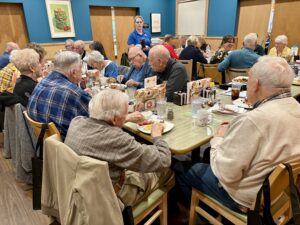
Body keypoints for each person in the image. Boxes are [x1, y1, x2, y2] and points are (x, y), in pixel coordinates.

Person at [176, 56, 300, 213]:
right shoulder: (296, 106)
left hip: (248, 199)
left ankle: (206, 213)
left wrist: (218, 139)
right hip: (279, 188)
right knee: (207, 153)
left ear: (255, 85)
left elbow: (226, 174)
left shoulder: (253, 120)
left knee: (180, 168)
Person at [64, 89, 173, 207]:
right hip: (110, 200)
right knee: (168, 171)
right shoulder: (118, 139)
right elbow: (163, 160)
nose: (127, 115)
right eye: (125, 114)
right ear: (114, 119)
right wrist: (157, 136)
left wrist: (125, 118)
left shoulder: (76, 122)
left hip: (78, 190)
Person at [27, 51, 91, 139]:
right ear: (73, 72)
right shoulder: (74, 93)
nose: (82, 71)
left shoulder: (41, 82)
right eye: (80, 68)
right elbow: (96, 121)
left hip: (46, 143)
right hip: (68, 146)